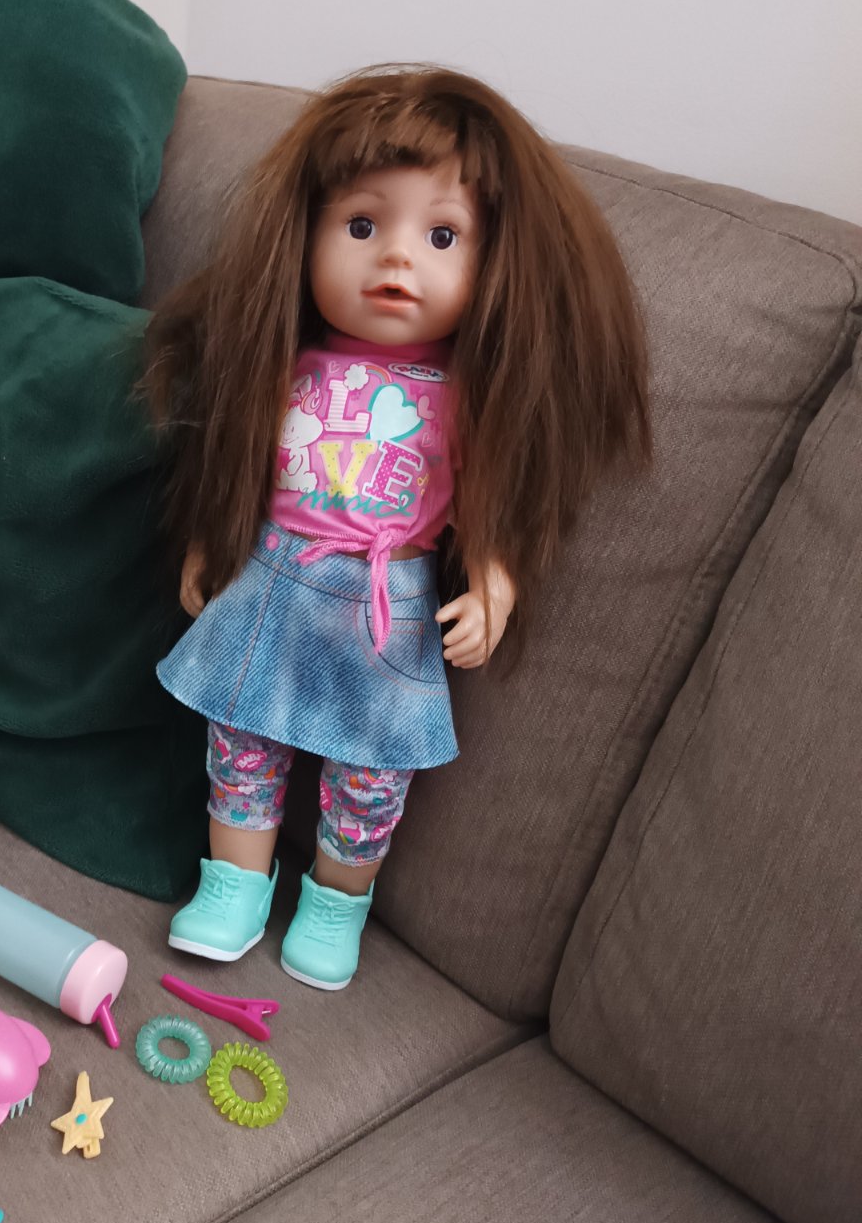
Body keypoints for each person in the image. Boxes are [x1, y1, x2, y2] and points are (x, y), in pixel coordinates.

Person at [145, 65, 650, 990]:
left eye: (442, 235)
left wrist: (493, 583)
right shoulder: (283, 365)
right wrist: (211, 542)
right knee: (241, 743)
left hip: (390, 606)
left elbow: (490, 505)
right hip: (275, 579)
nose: (396, 259)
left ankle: (336, 904)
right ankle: (235, 886)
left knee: (371, 776)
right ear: (305, 236)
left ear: (493, 264)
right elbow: (240, 469)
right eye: (362, 225)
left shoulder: (467, 397)